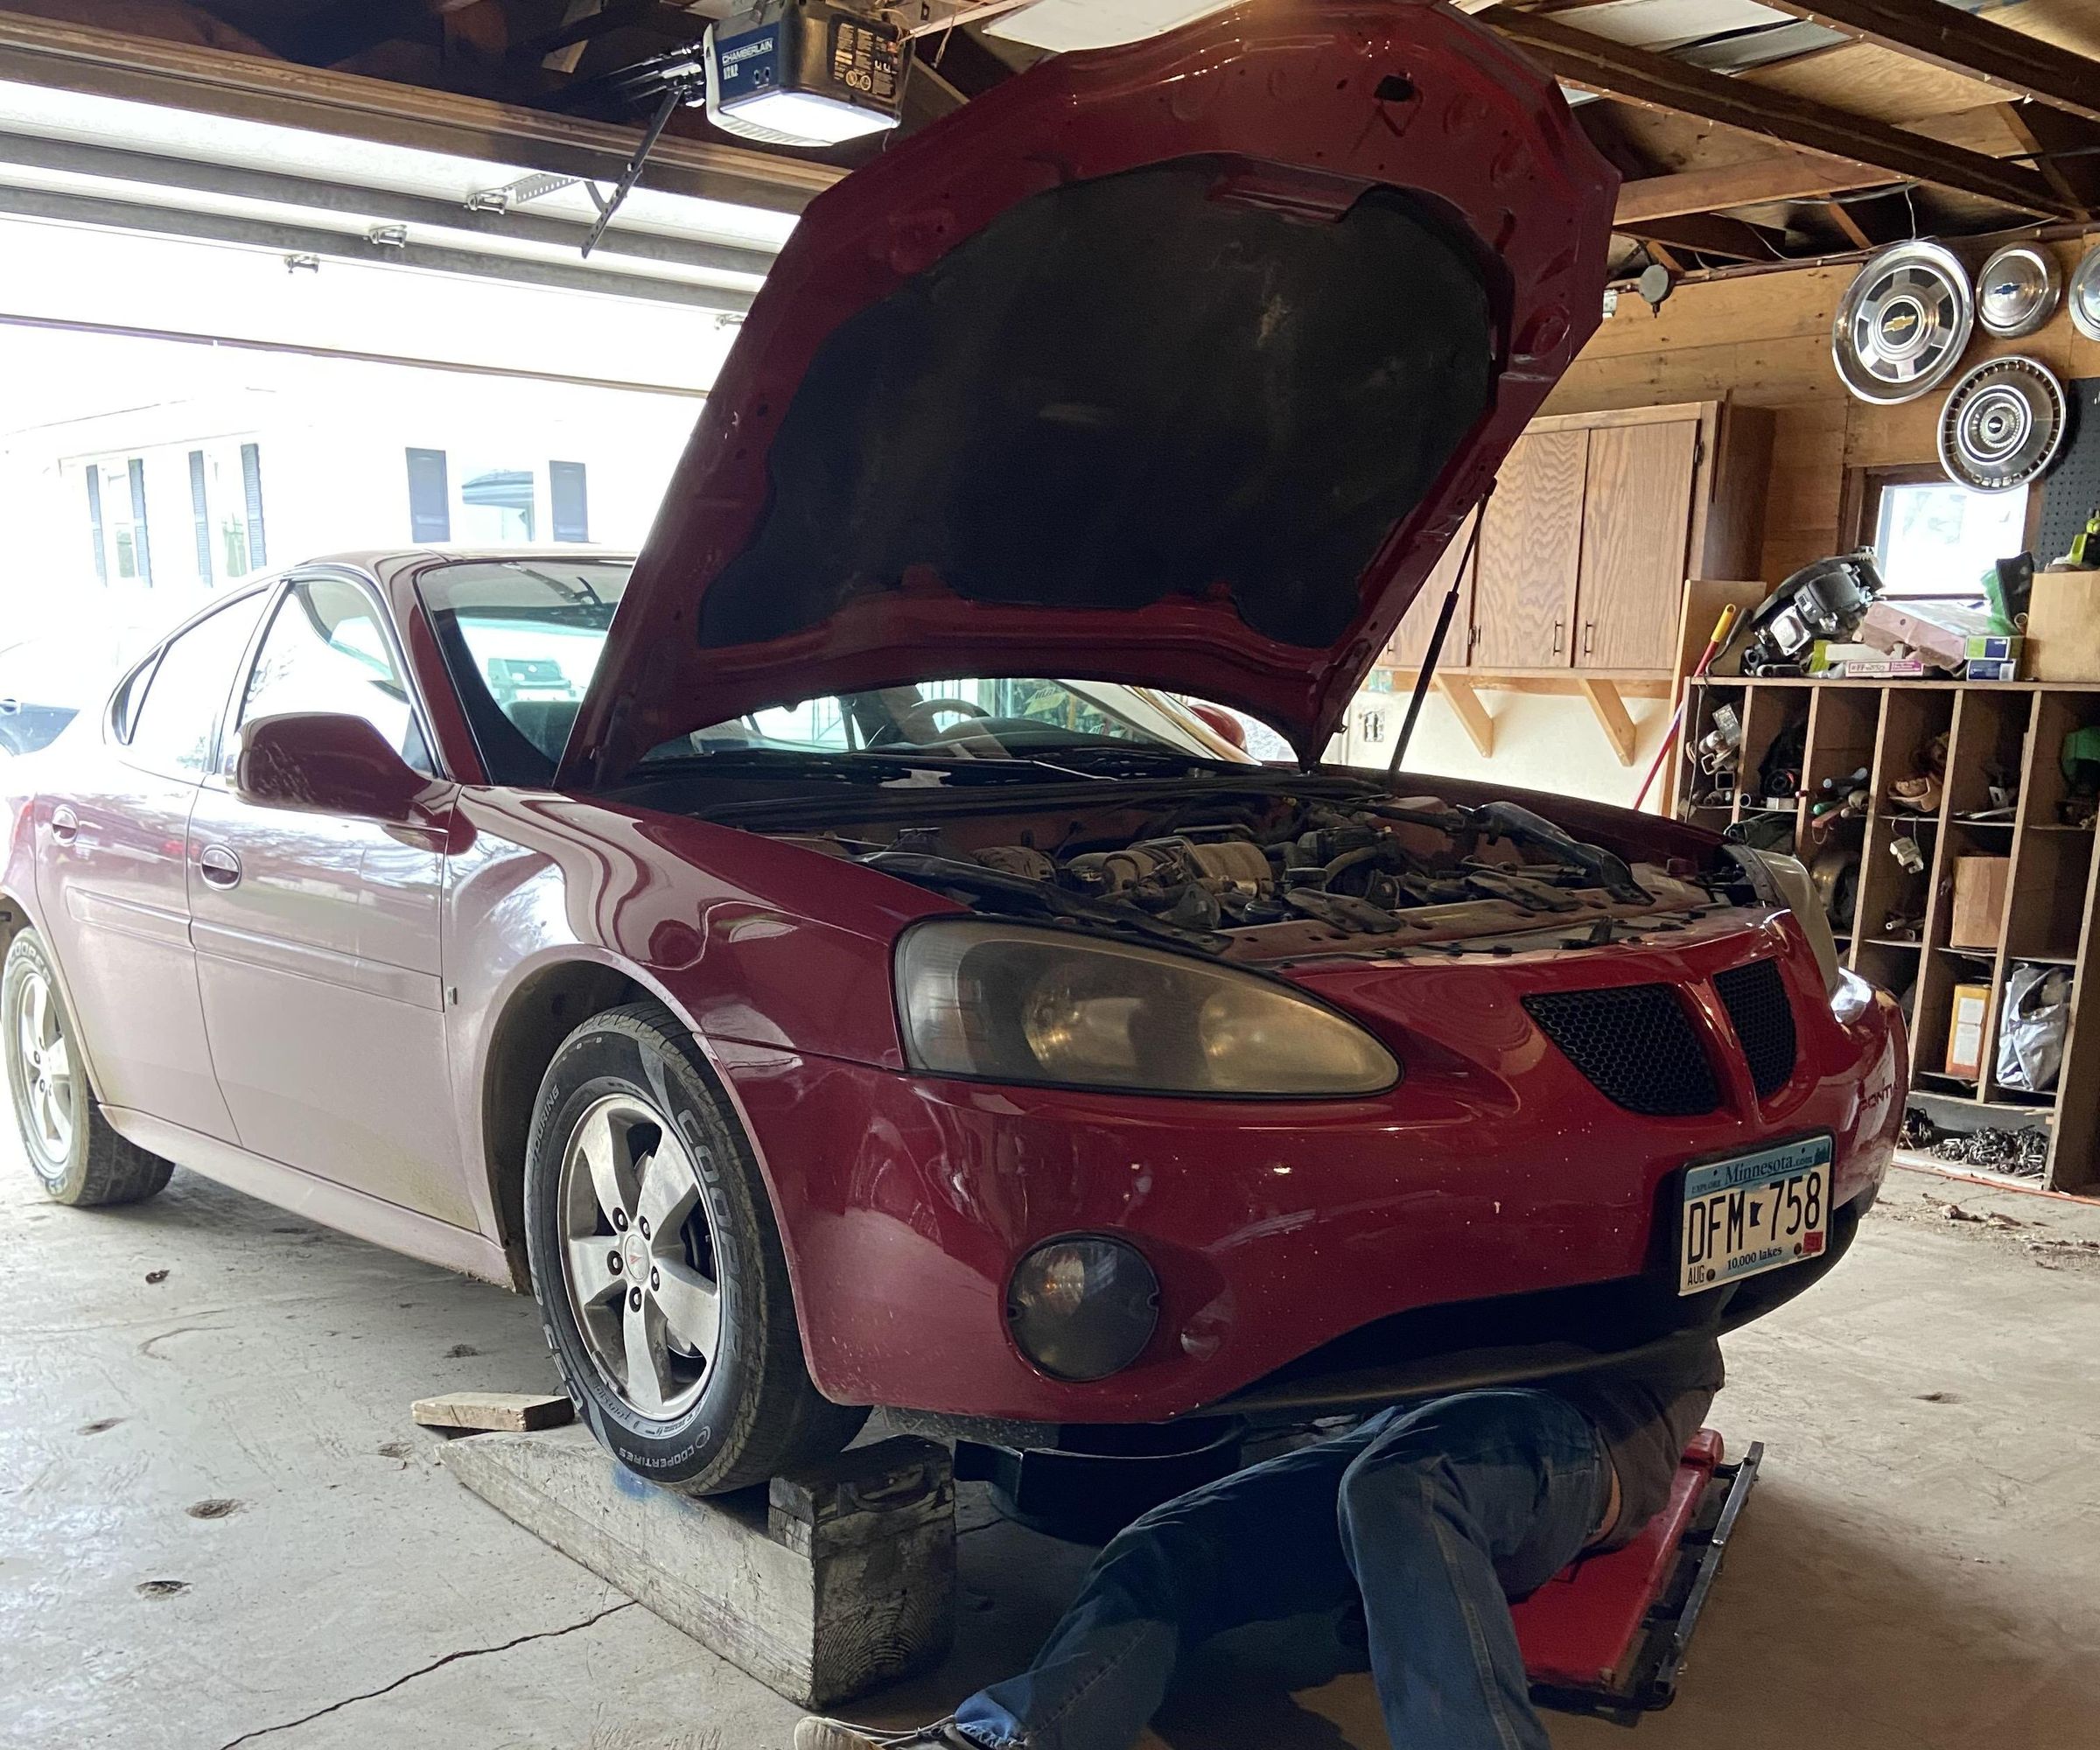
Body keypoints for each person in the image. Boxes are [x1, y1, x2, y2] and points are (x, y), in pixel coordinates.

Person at [795, 1337, 1723, 1750]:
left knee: (1403, 1485)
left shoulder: (1666, 1208)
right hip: (1403, 1423)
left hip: (1573, 1432)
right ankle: (1007, 1738)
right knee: (1165, 1542)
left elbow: (1684, 1330)